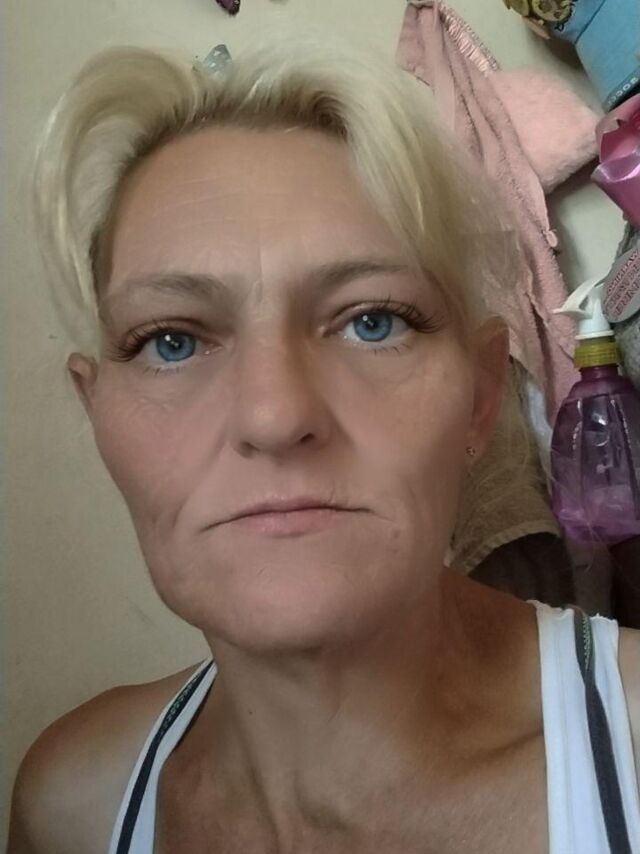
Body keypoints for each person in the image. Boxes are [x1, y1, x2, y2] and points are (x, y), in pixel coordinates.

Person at [7, 30, 640, 854]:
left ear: (482, 397)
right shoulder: (70, 808)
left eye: (372, 322)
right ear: (99, 415)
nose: (275, 415)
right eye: (172, 340)